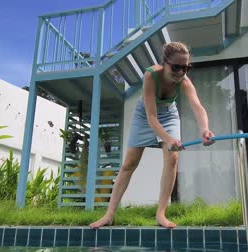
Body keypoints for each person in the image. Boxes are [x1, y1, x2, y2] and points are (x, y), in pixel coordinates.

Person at [90, 42, 215, 229]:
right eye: (176, 67)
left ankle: (161, 214)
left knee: (172, 158)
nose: (181, 72)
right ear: (164, 63)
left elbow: (197, 106)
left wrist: (205, 129)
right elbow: (151, 117)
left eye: (186, 67)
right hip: (146, 115)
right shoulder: (151, 75)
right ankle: (109, 214)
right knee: (129, 164)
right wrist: (168, 138)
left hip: (169, 115)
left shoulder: (185, 81)